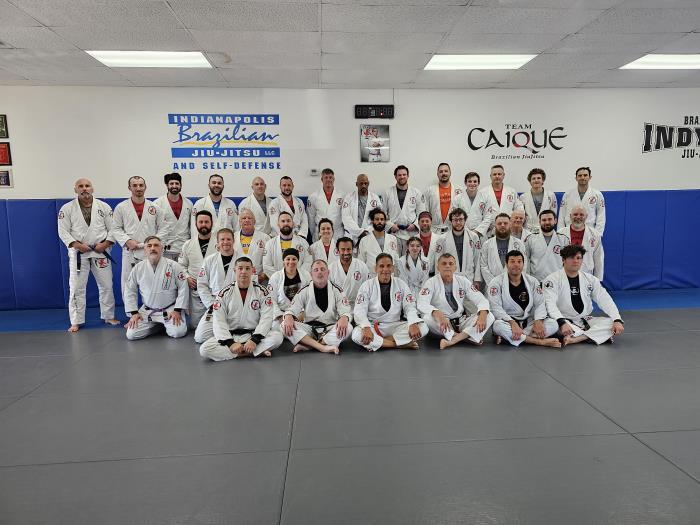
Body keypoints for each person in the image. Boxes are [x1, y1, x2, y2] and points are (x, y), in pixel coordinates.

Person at [57, 178, 119, 332]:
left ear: (92, 189)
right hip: (79, 253)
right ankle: (76, 321)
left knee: (106, 286)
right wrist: (78, 245)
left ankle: (108, 316)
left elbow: (114, 229)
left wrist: (105, 244)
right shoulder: (67, 208)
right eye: (81, 186)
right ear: (75, 190)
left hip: (101, 251)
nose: (84, 188)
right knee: (76, 287)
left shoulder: (104, 207)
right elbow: (63, 231)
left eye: (87, 186)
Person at [199, 257, 283, 360]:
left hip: (253, 334)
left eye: (247, 268)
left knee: (278, 337)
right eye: (240, 268)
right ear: (235, 270)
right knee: (204, 349)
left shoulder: (262, 292)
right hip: (231, 335)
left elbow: (266, 318)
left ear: (252, 271)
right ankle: (253, 352)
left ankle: (241, 352)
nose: (244, 272)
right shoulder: (224, 293)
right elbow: (218, 321)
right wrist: (230, 343)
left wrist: (254, 340)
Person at [543, 244, 624, 346]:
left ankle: (578, 338)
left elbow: (604, 299)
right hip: (563, 320)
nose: (575, 261)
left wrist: (617, 319)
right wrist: (562, 322)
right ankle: (595, 335)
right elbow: (549, 304)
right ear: (563, 260)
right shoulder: (552, 280)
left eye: (578, 258)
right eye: (571, 258)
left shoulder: (590, 279)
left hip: (584, 319)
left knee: (611, 323)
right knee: (554, 326)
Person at [112, 176, 170, 304]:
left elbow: (164, 228)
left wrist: (153, 243)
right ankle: (131, 312)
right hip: (130, 251)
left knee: (151, 284)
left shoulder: (154, 207)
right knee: (128, 284)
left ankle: (151, 311)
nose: (138, 188)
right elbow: (115, 228)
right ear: (129, 188)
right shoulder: (121, 207)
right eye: (135, 185)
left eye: (141, 185)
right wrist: (127, 240)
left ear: (145, 187)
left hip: (150, 251)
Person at [352, 253, 428, 351]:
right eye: (381, 266)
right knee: (356, 335)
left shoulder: (401, 284)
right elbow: (360, 310)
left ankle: (380, 343)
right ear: (375, 268)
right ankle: (398, 344)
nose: (385, 269)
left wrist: (412, 322)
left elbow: (409, 306)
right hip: (373, 326)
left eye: (388, 266)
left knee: (423, 327)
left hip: (395, 325)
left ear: (393, 268)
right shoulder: (367, 285)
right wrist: (366, 327)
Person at [417, 253, 494, 349]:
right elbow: (421, 303)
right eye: (444, 263)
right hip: (442, 322)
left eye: (451, 263)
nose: (447, 266)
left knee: (489, 315)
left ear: (455, 267)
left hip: (460, 322)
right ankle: (466, 337)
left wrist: (482, 314)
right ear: (438, 267)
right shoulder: (431, 282)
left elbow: (480, 299)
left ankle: (453, 339)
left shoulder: (463, 281)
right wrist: (436, 312)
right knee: (427, 318)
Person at [487, 250, 560, 348]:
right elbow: (495, 308)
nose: (516, 264)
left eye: (519, 261)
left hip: (528, 322)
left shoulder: (532, 281)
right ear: (506, 264)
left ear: (523, 264)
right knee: (498, 326)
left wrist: (538, 321)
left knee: (553, 324)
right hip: (508, 322)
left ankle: (511, 338)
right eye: (512, 261)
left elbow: (540, 303)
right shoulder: (496, 282)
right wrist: (512, 323)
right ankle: (538, 341)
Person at [281, 259, 352, 354]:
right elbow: (292, 308)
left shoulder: (337, 290)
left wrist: (344, 317)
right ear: (311, 274)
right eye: (316, 270)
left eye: (322, 269)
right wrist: (288, 315)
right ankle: (322, 347)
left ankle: (309, 346)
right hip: (309, 329)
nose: (319, 272)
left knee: (349, 327)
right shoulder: (304, 290)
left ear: (328, 272)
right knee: (283, 325)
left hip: (329, 328)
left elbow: (345, 309)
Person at [123, 236, 188, 340]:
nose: (152, 248)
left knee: (178, 333)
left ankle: (161, 324)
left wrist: (177, 310)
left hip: (170, 309)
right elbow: (130, 290)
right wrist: (134, 313)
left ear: (162, 249)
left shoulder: (174, 266)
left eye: (156, 245)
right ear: (145, 250)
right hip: (147, 311)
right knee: (131, 335)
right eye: (149, 246)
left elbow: (183, 288)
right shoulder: (138, 268)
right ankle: (157, 326)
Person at [193, 228, 237, 343]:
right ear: (217, 242)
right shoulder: (209, 260)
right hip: (215, 304)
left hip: (237, 305)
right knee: (200, 337)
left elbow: (252, 283)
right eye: (222, 239)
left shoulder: (243, 259)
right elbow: (202, 285)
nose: (225, 242)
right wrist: (211, 304)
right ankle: (226, 336)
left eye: (228, 239)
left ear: (234, 241)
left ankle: (230, 336)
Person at [178, 210, 217, 328]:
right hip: (196, 291)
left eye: (206, 222)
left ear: (211, 223)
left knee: (216, 323)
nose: (203, 224)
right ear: (196, 224)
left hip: (214, 290)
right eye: (201, 222)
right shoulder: (188, 244)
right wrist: (187, 277)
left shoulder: (219, 243)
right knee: (195, 325)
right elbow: (181, 266)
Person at [383, 164, 425, 253]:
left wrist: (415, 225)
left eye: (404, 174)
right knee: (394, 258)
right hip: (394, 233)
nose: (402, 177)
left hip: (411, 234)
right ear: (395, 177)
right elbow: (382, 214)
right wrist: (390, 225)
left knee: (410, 259)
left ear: (408, 176)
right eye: (399, 175)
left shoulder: (416, 192)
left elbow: (422, 214)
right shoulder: (387, 193)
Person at [433, 208, 481, 283]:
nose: (458, 222)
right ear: (451, 221)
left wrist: (477, 280)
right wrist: (438, 280)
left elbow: (477, 259)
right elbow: (438, 261)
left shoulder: (473, 237)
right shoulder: (442, 239)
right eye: (455, 220)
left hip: (469, 277)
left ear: (465, 220)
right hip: (449, 278)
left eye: (461, 219)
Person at [479, 213, 527, 286]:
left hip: (513, 284)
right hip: (492, 285)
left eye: (505, 223)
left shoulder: (519, 244)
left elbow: (523, 264)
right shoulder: (487, 244)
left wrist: (515, 281)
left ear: (510, 224)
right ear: (495, 225)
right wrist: (494, 283)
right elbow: (483, 266)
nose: (502, 225)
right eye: (499, 223)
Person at [558, 205, 604, 279]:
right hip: (564, 275)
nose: (578, 217)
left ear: (586, 216)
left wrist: (598, 280)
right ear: (570, 216)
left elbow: (598, 259)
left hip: (587, 274)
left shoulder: (595, 234)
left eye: (581, 215)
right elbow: (556, 258)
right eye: (575, 214)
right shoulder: (560, 233)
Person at [153, 172, 192, 260]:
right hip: (165, 247)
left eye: (177, 183)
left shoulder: (188, 204)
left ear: (181, 185)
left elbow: (191, 227)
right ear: (167, 185)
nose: (174, 186)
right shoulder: (157, 204)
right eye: (171, 183)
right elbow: (154, 227)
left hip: (184, 247)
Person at [267, 248, 312, 322]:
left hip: (300, 315)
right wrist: (281, 316)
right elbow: (271, 299)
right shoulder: (275, 276)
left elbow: (310, 297)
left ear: (298, 260)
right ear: (283, 261)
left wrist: (303, 313)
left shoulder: (306, 275)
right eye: (288, 259)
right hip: (281, 315)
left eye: (294, 259)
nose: (291, 262)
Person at [525, 210, 570, 282]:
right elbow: (526, 260)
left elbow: (568, 262)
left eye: (550, 219)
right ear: (539, 222)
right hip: (536, 281)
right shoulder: (530, 239)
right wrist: (528, 279)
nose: (547, 222)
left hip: (557, 280)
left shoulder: (564, 239)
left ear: (555, 221)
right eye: (544, 220)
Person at [478, 165, 523, 237]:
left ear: (503, 175)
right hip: (489, 230)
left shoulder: (511, 191)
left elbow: (519, 208)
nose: (497, 176)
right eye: (494, 174)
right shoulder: (482, 192)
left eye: (499, 174)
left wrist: (514, 223)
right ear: (490, 176)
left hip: (508, 228)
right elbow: (479, 212)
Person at [560, 167, 605, 236]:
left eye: (585, 175)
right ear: (576, 178)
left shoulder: (597, 194)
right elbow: (561, 215)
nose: (582, 177)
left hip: (589, 231)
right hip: (569, 231)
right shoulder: (567, 194)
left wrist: (598, 234)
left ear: (590, 177)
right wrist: (560, 233)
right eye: (580, 175)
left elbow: (601, 216)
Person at [190, 173, 238, 238]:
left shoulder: (230, 204)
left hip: (226, 242)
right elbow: (194, 229)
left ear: (223, 186)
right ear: (209, 185)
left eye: (219, 183)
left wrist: (235, 242)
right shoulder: (199, 204)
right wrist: (197, 243)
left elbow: (236, 227)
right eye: (214, 183)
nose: (216, 185)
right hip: (206, 241)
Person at [341, 174, 384, 244]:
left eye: (365, 183)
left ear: (368, 184)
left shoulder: (375, 198)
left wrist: (367, 231)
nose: (363, 185)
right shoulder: (349, 197)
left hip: (369, 234)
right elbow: (346, 217)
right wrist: (360, 232)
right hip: (352, 235)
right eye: (361, 183)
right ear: (356, 184)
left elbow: (378, 218)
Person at [328, 236, 371, 306]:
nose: (346, 252)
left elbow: (368, 288)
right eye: (343, 249)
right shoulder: (331, 268)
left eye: (348, 249)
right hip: (338, 306)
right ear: (338, 251)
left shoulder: (362, 266)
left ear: (352, 250)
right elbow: (328, 292)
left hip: (358, 305)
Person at [357, 208, 400, 274]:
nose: (379, 221)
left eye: (382, 219)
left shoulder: (393, 239)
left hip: (389, 275)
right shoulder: (364, 240)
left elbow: (396, 259)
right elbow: (361, 262)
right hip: (372, 276)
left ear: (385, 221)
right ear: (372, 221)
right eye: (377, 219)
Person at [424, 162, 463, 234]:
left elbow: (463, 211)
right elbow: (425, 210)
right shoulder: (430, 190)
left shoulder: (459, 190)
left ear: (450, 173)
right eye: (441, 171)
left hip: (453, 229)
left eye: (446, 171)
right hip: (434, 230)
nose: (443, 173)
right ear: (437, 174)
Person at [307, 168, 344, 242]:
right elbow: (311, 218)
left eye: (330, 177)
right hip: (320, 232)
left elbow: (345, 216)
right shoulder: (313, 196)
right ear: (322, 179)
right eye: (326, 177)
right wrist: (315, 232)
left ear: (334, 179)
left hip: (337, 232)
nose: (328, 179)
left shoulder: (342, 195)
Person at [234, 208, 270, 282]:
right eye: (244, 218)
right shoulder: (233, 237)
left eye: (249, 218)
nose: (247, 220)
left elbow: (269, 260)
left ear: (254, 221)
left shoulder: (265, 238)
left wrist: (262, 277)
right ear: (239, 222)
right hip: (235, 279)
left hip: (258, 280)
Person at [518, 168, 557, 234]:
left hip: (546, 229)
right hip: (528, 231)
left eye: (538, 178)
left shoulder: (551, 195)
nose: (536, 180)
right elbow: (521, 216)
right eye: (533, 178)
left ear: (543, 180)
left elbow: (553, 214)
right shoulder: (523, 197)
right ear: (530, 182)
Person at [454, 171, 492, 238]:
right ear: (465, 183)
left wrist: (477, 231)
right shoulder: (457, 198)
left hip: (479, 233)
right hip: (462, 233)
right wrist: (463, 231)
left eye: (475, 181)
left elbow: (488, 217)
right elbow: (454, 217)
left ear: (478, 183)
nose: (472, 184)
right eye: (469, 181)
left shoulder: (485, 197)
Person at [417, 211, 441, 275]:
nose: (424, 223)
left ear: (431, 222)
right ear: (418, 223)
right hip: (418, 275)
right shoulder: (413, 239)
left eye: (427, 221)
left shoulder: (439, 239)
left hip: (434, 274)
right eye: (422, 221)